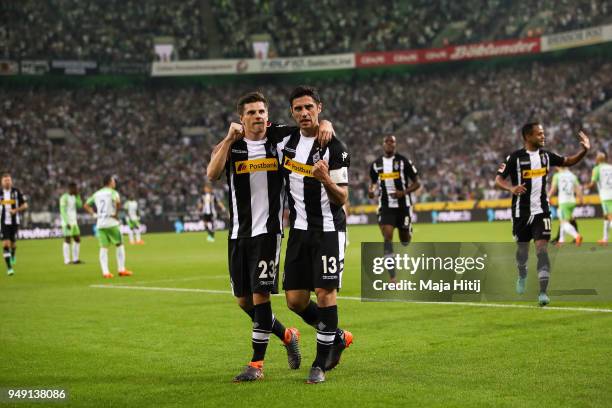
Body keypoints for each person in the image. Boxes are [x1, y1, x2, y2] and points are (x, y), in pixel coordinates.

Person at [207, 91, 334, 382]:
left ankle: (257, 364)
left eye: (262, 111)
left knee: (260, 296)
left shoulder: (279, 139)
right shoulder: (234, 145)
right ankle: (288, 334)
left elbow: (310, 126)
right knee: (243, 301)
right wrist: (227, 140)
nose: (258, 117)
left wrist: (326, 122)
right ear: (241, 118)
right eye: (251, 112)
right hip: (238, 233)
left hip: (267, 232)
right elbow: (212, 173)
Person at [280, 86, 353, 384]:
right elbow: (257, 128)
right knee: (295, 301)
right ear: (292, 112)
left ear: (319, 107)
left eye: (309, 107)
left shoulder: (335, 148)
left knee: (325, 294)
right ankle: (336, 336)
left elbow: (341, 198)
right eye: (298, 109)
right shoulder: (284, 141)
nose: (304, 113)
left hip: (328, 231)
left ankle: (320, 363)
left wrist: (324, 179)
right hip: (298, 231)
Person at [495, 122, 590, 306]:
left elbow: (568, 161)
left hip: (542, 212)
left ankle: (543, 292)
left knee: (541, 250)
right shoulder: (514, 157)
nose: (543, 136)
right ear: (528, 137)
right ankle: (522, 274)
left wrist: (584, 151)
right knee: (522, 252)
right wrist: (511, 187)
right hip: (520, 213)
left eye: (543, 133)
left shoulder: (546, 156)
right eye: (539, 134)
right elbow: (498, 179)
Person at [368, 135, 420, 283]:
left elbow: (417, 183)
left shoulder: (404, 162)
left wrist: (402, 193)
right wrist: (371, 191)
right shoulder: (376, 164)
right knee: (387, 236)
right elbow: (372, 183)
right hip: (386, 206)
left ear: (395, 145)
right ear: (383, 144)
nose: (390, 144)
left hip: (403, 206)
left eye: (392, 142)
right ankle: (392, 277)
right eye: (387, 142)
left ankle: (408, 229)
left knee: (405, 240)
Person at [83, 175, 133, 278]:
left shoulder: (96, 193)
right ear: (110, 182)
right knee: (119, 244)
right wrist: (115, 214)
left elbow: (86, 205)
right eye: (114, 181)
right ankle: (121, 269)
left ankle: (106, 272)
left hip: (100, 223)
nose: (115, 183)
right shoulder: (113, 192)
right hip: (111, 222)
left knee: (103, 247)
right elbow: (118, 202)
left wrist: (94, 215)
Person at [1, 173, 28, 276]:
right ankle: (9, 268)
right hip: (3, 222)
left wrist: (16, 210)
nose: (7, 182)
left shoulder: (17, 192)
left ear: (11, 181)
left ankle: (13, 254)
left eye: (9, 180)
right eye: (5, 180)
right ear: (2, 182)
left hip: (14, 222)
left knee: (13, 245)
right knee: (5, 244)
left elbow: (25, 205)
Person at [548, 167, 582, 246]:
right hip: (572, 201)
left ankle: (577, 236)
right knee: (563, 220)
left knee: (564, 222)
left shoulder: (557, 176)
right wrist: (581, 199)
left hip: (564, 202)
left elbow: (553, 189)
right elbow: (578, 189)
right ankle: (561, 240)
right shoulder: (573, 176)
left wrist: (548, 197)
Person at [585, 151, 612, 245]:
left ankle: (605, 238)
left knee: (610, 217)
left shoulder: (597, 169)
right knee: (606, 217)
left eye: (596, 158)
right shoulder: (611, 167)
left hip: (606, 196)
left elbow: (592, 184)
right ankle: (605, 238)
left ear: (598, 159)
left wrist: (585, 187)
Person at [59, 182, 83, 264]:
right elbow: (62, 211)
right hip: (67, 222)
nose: (77, 190)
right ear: (70, 188)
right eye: (75, 188)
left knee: (77, 239)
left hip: (74, 221)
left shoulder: (74, 197)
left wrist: (78, 196)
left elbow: (80, 205)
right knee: (67, 239)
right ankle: (67, 260)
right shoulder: (64, 197)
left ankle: (76, 259)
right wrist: (66, 222)